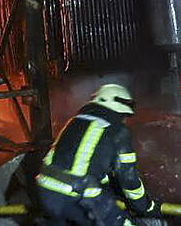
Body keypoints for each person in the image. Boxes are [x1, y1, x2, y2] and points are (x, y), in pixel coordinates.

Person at [36, 84, 162, 226]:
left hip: (45, 191)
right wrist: (146, 207)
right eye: (123, 115)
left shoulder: (75, 122)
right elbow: (128, 178)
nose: (124, 119)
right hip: (78, 196)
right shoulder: (117, 130)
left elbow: (88, 165)